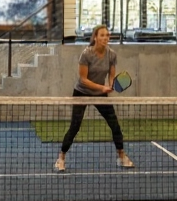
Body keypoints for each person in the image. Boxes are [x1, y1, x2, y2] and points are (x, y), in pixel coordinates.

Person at [55, 25, 134, 172]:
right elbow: (83, 79)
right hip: (82, 92)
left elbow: (111, 76)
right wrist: (102, 88)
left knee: (115, 125)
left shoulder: (112, 55)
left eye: (107, 35)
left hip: (100, 94)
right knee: (75, 126)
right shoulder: (86, 54)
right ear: (95, 37)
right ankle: (61, 158)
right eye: (102, 35)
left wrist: (111, 85)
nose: (105, 38)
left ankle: (122, 156)